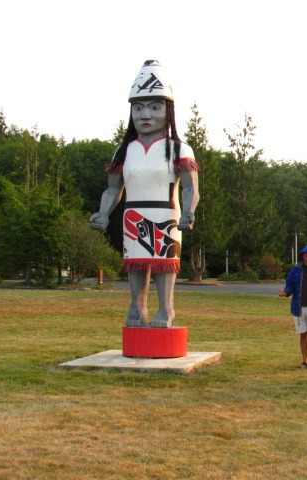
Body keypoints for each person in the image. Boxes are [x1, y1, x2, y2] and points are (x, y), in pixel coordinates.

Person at [90, 60, 200, 328]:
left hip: (166, 213)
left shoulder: (179, 149)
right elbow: (114, 188)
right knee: (136, 263)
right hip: (134, 212)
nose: (145, 114)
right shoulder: (124, 151)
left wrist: (189, 211)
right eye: (138, 108)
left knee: (164, 263)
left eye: (154, 107)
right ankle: (137, 307)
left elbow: (190, 186)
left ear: (168, 110)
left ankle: (166, 309)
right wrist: (103, 212)